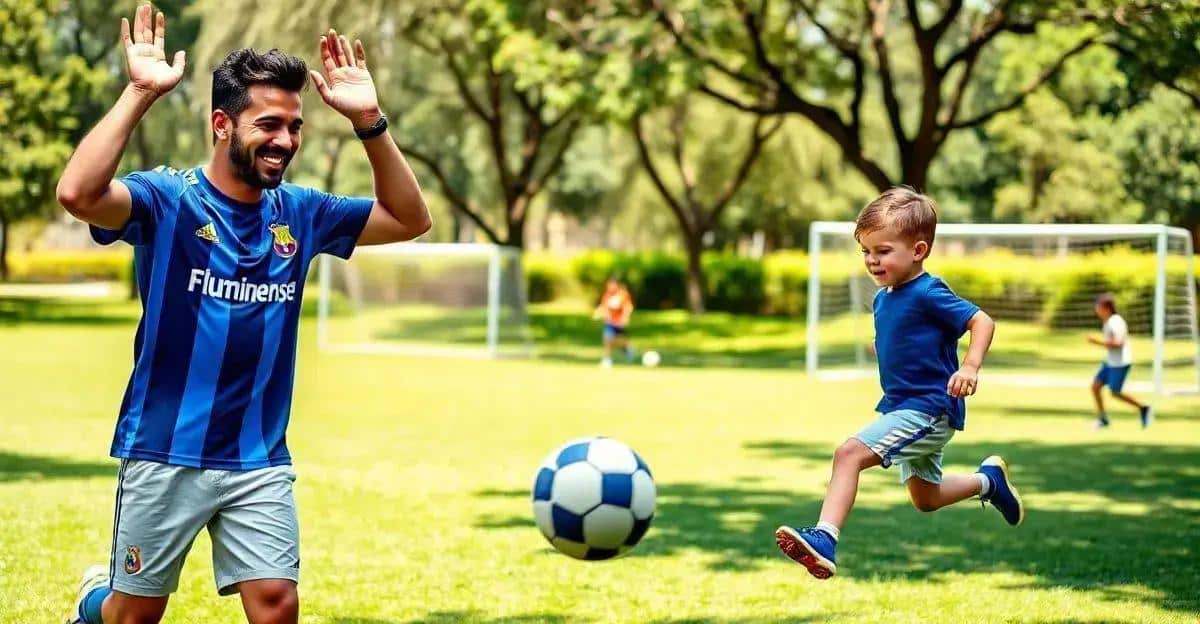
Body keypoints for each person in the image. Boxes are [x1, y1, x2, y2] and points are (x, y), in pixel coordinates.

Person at [56, 5, 430, 623]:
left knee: (278, 606)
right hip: (163, 449)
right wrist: (140, 93)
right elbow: (78, 194)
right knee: (133, 617)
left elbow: (411, 219)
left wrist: (369, 122)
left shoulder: (303, 212)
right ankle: (96, 606)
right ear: (222, 124)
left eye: (294, 126)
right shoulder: (167, 198)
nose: (285, 140)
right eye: (268, 124)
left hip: (259, 456)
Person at [774, 188, 1023, 580]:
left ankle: (825, 538)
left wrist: (971, 367)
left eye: (883, 251)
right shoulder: (882, 298)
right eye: (866, 251)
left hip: (928, 408)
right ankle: (987, 482)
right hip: (902, 405)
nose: (873, 260)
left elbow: (982, 322)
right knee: (925, 498)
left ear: (919, 250)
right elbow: (907, 335)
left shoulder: (928, 291)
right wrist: (885, 346)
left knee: (848, 455)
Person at [1088, 293, 1152, 429]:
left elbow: (1118, 343)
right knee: (1095, 387)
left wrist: (1097, 342)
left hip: (1120, 363)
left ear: (1106, 307)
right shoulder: (1108, 321)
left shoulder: (1115, 322)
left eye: (1097, 307)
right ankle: (1103, 419)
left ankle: (1143, 407)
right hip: (1110, 362)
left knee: (1115, 393)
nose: (1096, 310)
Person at [594, 277, 635, 368]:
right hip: (609, 322)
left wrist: (625, 317)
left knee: (620, 341)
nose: (610, 287)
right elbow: (603, 306)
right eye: (608, 285)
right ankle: (607, 360)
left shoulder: (622, 295)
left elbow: (628, 307)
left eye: (612, 285)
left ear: (617, 285)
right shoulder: (607, 295)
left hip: (619, 323)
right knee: (607, 339)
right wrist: (598, 312)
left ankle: (627, 349)